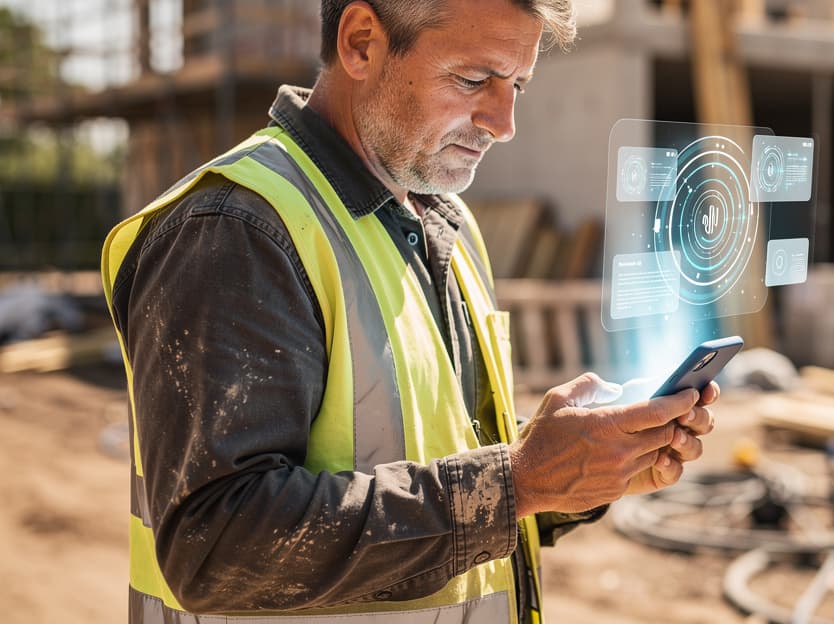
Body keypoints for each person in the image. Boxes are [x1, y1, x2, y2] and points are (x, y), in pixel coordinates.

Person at [100, 1, 720, 622]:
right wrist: (519, 481)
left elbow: (439, 459)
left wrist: (579, 472)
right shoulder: (239, 231)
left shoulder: (443, 222)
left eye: (518, 85)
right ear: (363, 43)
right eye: (473, 79)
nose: (503, 122)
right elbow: (216, 549)